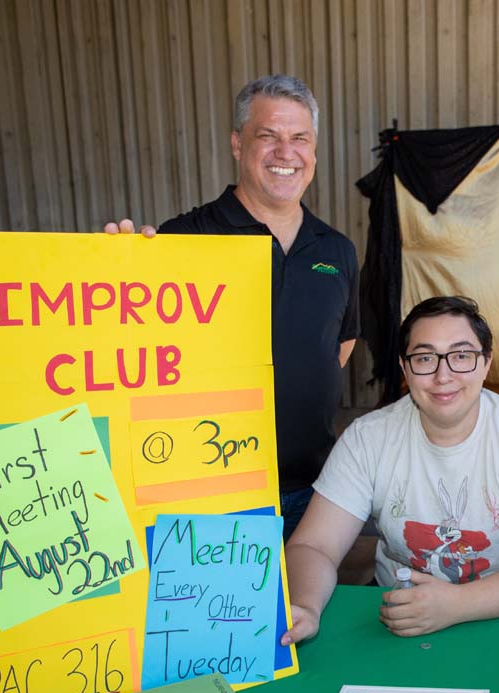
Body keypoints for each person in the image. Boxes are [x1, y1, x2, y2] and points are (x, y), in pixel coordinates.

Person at [105, 74, 358, 537]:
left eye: (299, 138)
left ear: (315, 151)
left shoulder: (337, 250)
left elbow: (341, 343)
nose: (286, 152)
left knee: (306, 607)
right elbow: (136, 349)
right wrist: (117, 270)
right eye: (269, 136)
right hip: (213, 494)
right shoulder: (183, 239)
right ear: (238, 145)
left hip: (316, 489)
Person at [281, 296, 499, 643]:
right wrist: (304, 605)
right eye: (425, 358)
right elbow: (313, 545)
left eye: (461, 356)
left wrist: (458, 604)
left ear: (486, 362)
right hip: (400, 620)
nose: (444, 376)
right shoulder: (368, 438)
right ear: (404, 367)